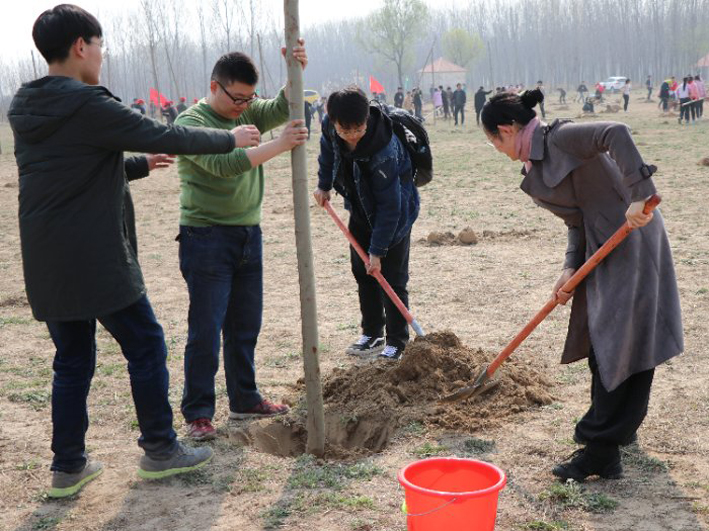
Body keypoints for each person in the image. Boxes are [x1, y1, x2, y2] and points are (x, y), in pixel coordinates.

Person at [8, 4, 252, 499]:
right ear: (81, 46)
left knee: (72, 359)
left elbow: (71, 169)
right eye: (99, 46)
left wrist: (139, 165)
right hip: (95, 257)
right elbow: (167, 131)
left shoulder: (28, 106)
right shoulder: (86, 104)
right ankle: (161, 447)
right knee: (146, 344)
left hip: (47, 258)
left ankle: (68, 465)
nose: (102, 55)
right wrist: (229, 139)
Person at [481, 89, 683, 483]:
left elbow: (615, 131)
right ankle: (617, 430)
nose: (496, 149)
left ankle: (601, 448)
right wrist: (569, 268)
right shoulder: (535, 164)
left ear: (506, 130)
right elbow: (576, 221)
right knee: (605, 340)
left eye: (493, 141)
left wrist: (641, 194)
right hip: (600, 247)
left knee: (617, 340)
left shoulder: (560, 138)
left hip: (632, 237)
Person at [173, 47, 308, 441]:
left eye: (250, 98)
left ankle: (244, 397)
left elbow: (281, 106)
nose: (244, 107)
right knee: (206, 328)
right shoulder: (191, 122)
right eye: (237, 98)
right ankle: (199, 412)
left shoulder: (247, 110)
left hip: (249, 234)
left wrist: (294, 68)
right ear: (214, 86)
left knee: (245, 325)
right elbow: (225, 164)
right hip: (206, 237)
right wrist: (280, 145)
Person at [313, 86, 419, 360]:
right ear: (333, 121)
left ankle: (397, 341)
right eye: (345, 130)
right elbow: (327, 152)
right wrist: (324, 185)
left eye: (358, 129)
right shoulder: (330, 127)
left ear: (367, 120)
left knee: (392, 279)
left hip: (395, 216)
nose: (352, 136)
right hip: (360, 207)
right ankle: (372, 333)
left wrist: (378, 250)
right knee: (363, 272)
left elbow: (390, 207)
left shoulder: (384, 150)